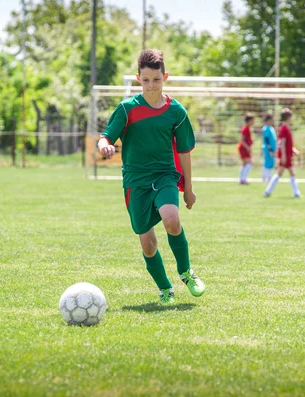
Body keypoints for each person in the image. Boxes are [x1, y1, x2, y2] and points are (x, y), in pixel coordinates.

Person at [97, 49, 205, 304]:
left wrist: (188, 188)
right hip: (136, 181)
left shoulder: (176, 111)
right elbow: (106, 136)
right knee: (148, 244)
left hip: (166, 174)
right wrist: (104, 145)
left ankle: (186, 272)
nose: (151, 85)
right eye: (146, 80)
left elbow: (185, 152)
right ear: (138, 79)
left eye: (156, 79)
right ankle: (165, 288)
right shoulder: (127, 109)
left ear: (164, 77)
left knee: (171, 219)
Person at [264, 108, 301, 198]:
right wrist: (283, 155)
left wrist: (292, 149)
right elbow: (283, 143)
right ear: (288, 117)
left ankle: (268, 191)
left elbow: (288, 143)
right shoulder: (284, 128)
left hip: (287, 154)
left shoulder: (286, 128)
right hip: (286, 155)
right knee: (285, 173)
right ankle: (296, 193)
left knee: (284, 173)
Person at [237, 113, 254, 184]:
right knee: (249, 163)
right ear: (249, 120)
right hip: (243, 148)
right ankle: (243, 179)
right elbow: (242, 140)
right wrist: (247, 147)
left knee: (244, 164)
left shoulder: (247, 128)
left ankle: (241, 179)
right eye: (252, 120)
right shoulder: (245, 129)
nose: (253, 122)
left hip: (244, 147)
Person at [261, 113, 277, 182]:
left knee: (271, 163)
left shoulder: (271, 128)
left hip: (273, 149)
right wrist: (270, 148)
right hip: (268, 149)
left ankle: (269, 177)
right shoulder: (266, 128)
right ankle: (264, 177)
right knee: (267, 163)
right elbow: (266, 139)